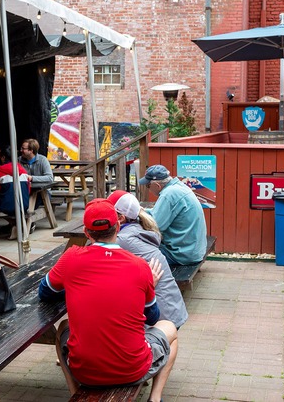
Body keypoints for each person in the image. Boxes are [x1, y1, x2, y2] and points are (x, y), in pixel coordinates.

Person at [38, 199, 178, 400]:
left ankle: (75, 394)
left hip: (84, 372)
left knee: (63, 328)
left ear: (86, 233)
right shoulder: (140, 267)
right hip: (133, 369)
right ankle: (155, 398)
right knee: (170, 328)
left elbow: (44, 291)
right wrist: (150, 287)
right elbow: (152, 317)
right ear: (118, 226)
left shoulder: (71, 258)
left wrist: (72, 285)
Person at [108, 190, 189, 329]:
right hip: (173, 309)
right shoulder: (138, 229)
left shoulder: (122, 240)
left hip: (160, 318)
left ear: (120, 218)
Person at [138, 165, 208, 266]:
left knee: (136, 252)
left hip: (182, 255)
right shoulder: (179, 186)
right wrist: (143, 211)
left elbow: (154, 227)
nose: (148, 189)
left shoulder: (169, 194)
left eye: (148, 185)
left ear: (157, 185)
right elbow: (159, 213)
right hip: (194, 250)